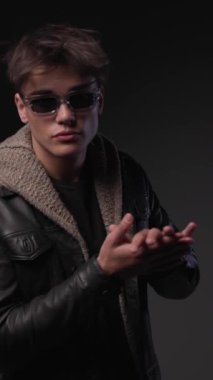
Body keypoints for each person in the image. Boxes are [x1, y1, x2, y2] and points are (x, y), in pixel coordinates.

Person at [0, 23, 199, 380]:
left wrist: (165, 259)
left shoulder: (127, 175)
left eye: (80, 98)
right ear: (21, 108)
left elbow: (180, 287)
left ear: (100, 100)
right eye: (44, 102)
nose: (65, 116)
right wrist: (101, 273)